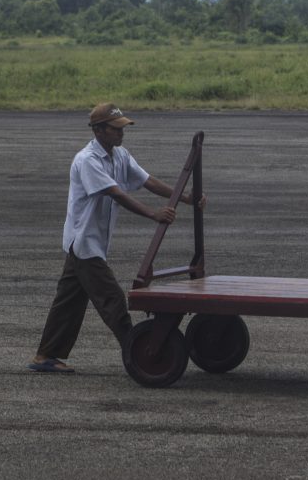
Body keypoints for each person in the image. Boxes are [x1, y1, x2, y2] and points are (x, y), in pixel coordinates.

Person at [28, 103, 206, 373]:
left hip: (91, 243)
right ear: (99, 130)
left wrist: (184, 198)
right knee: (112, 299)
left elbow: (148, 181)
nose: (121, 132)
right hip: (85, 243)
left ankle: (45, 356)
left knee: (68, 302)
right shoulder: (87, 160)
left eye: (123, 127)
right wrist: (153, 214)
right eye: (116, 128)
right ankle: (143, 356)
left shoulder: (119, 155)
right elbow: (116, 193)